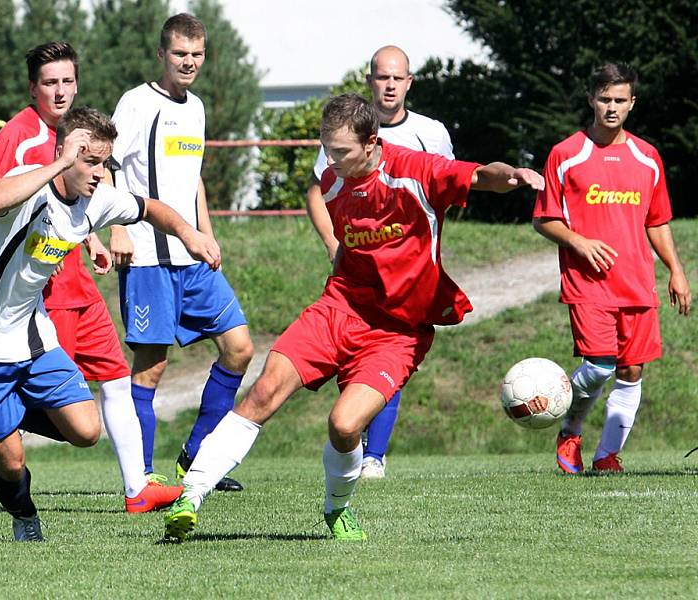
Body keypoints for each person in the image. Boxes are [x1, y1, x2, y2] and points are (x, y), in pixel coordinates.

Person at [163, 93, 544, 541]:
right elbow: (340, 230)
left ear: (371, 142)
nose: (331, 160)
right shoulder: (332, 181)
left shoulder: (415, 171)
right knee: (264, 390)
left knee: (344, 426)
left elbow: (480, 175)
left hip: (399, 330)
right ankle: (190, 495)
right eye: (327, 148)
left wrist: (514, 176)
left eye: (341, 151)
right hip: (340, 308)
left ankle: (336, 509)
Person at [0, 106, 220, 541]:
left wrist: (188, 233)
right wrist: (59, 161)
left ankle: (5, 417)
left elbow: (151, 208)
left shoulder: (96, 200)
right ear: (65, 154)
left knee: (87, 430)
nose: (98, 172)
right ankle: (25, 516)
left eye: (103, 162)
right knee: (11, 464)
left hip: (32, 338)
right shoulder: (31, 189)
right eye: (89, 161)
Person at [108, 13, 252, 492]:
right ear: (161, 55)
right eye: (179, 53)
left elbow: (194, 179)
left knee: (239, 348)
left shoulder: (197, 108)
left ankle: (196, 458)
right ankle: (142, 479)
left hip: (192, 257)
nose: (188, 62)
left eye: (196, 54)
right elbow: (105, 165)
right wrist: (117, 229)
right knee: (151, 368)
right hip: (148, 255)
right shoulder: (136, 103)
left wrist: (206, 233)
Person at [533, 63, 691, 474]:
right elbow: (544, 218)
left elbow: (657, 221)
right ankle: (570, 431)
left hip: (637, 282)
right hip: (588, 284)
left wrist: (675, 269)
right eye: (605, 99)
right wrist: (578, 242)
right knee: (600, 364)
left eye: (620, 100)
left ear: (632, 103)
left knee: (631, 369)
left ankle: (607, 456)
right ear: (591, 99)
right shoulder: (566, 154)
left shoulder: (647, 157)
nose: (612, 107)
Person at [306, 45, 454, 480]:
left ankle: (375, 455)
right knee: (353, 355)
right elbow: (319, 190)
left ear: (409, 83)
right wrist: (334, 244)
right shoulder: (346, 130)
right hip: (355, 269)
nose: (389, 85)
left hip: (407, 274)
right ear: (370, 81)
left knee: (392, 351)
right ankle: (355, 447)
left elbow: (443, 189)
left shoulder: (431, 133)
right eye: (381, 77)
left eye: (397, 77)